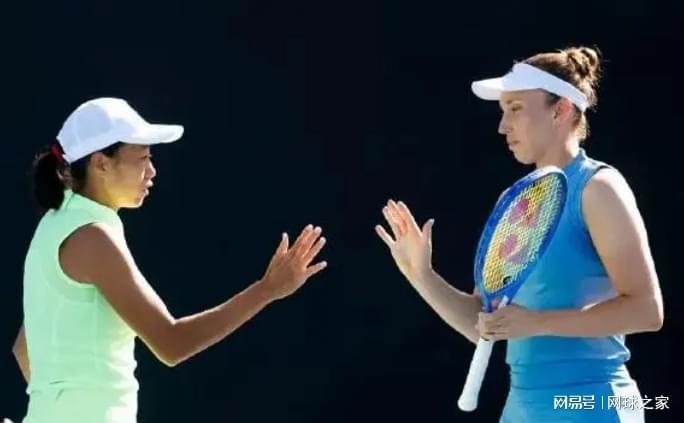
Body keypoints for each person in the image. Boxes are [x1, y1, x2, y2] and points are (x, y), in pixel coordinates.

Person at [375, 46, 664, 422]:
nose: (502, 126)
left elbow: (647, 310)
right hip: (522, 408)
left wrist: (539, 322)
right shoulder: (516, 202)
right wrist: (421, 275)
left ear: (560, 110)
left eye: (515, 109)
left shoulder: (599, 188)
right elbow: (484, 324)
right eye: (502, 111)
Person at [12, 97, 328, 422]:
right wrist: (267, 290)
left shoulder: (55, 223)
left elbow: (24, 348)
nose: (152, 171)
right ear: (101, 164)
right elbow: (171, 343)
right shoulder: (93, 236)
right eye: (143, 158)